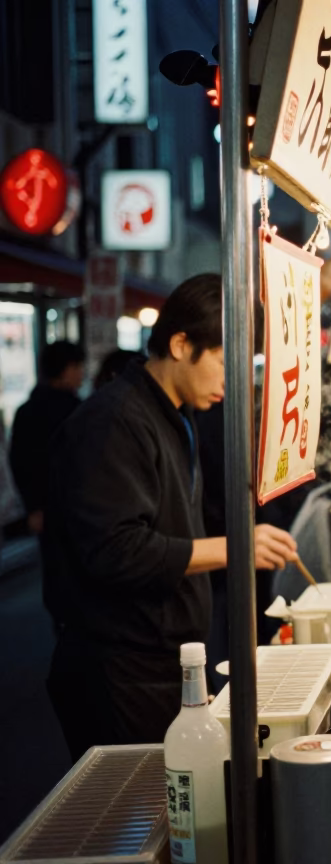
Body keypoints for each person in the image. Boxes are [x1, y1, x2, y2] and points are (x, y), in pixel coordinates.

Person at [44, 274, 298, 761]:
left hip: (165, 659)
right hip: (119, 669)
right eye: (225, 363)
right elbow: (116, 551)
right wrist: (237, 545)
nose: (232, 382)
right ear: (181, 344)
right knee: (146, 818)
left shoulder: (174, 415)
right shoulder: (114, 421)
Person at [9, 340, 85, 535]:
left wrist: (33, 507)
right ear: (65, 369)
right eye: (77, 367)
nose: (81, 374)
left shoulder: (26, 410)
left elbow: (19, 461)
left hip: (45, 508)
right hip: (79, 507)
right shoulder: (79, 410)